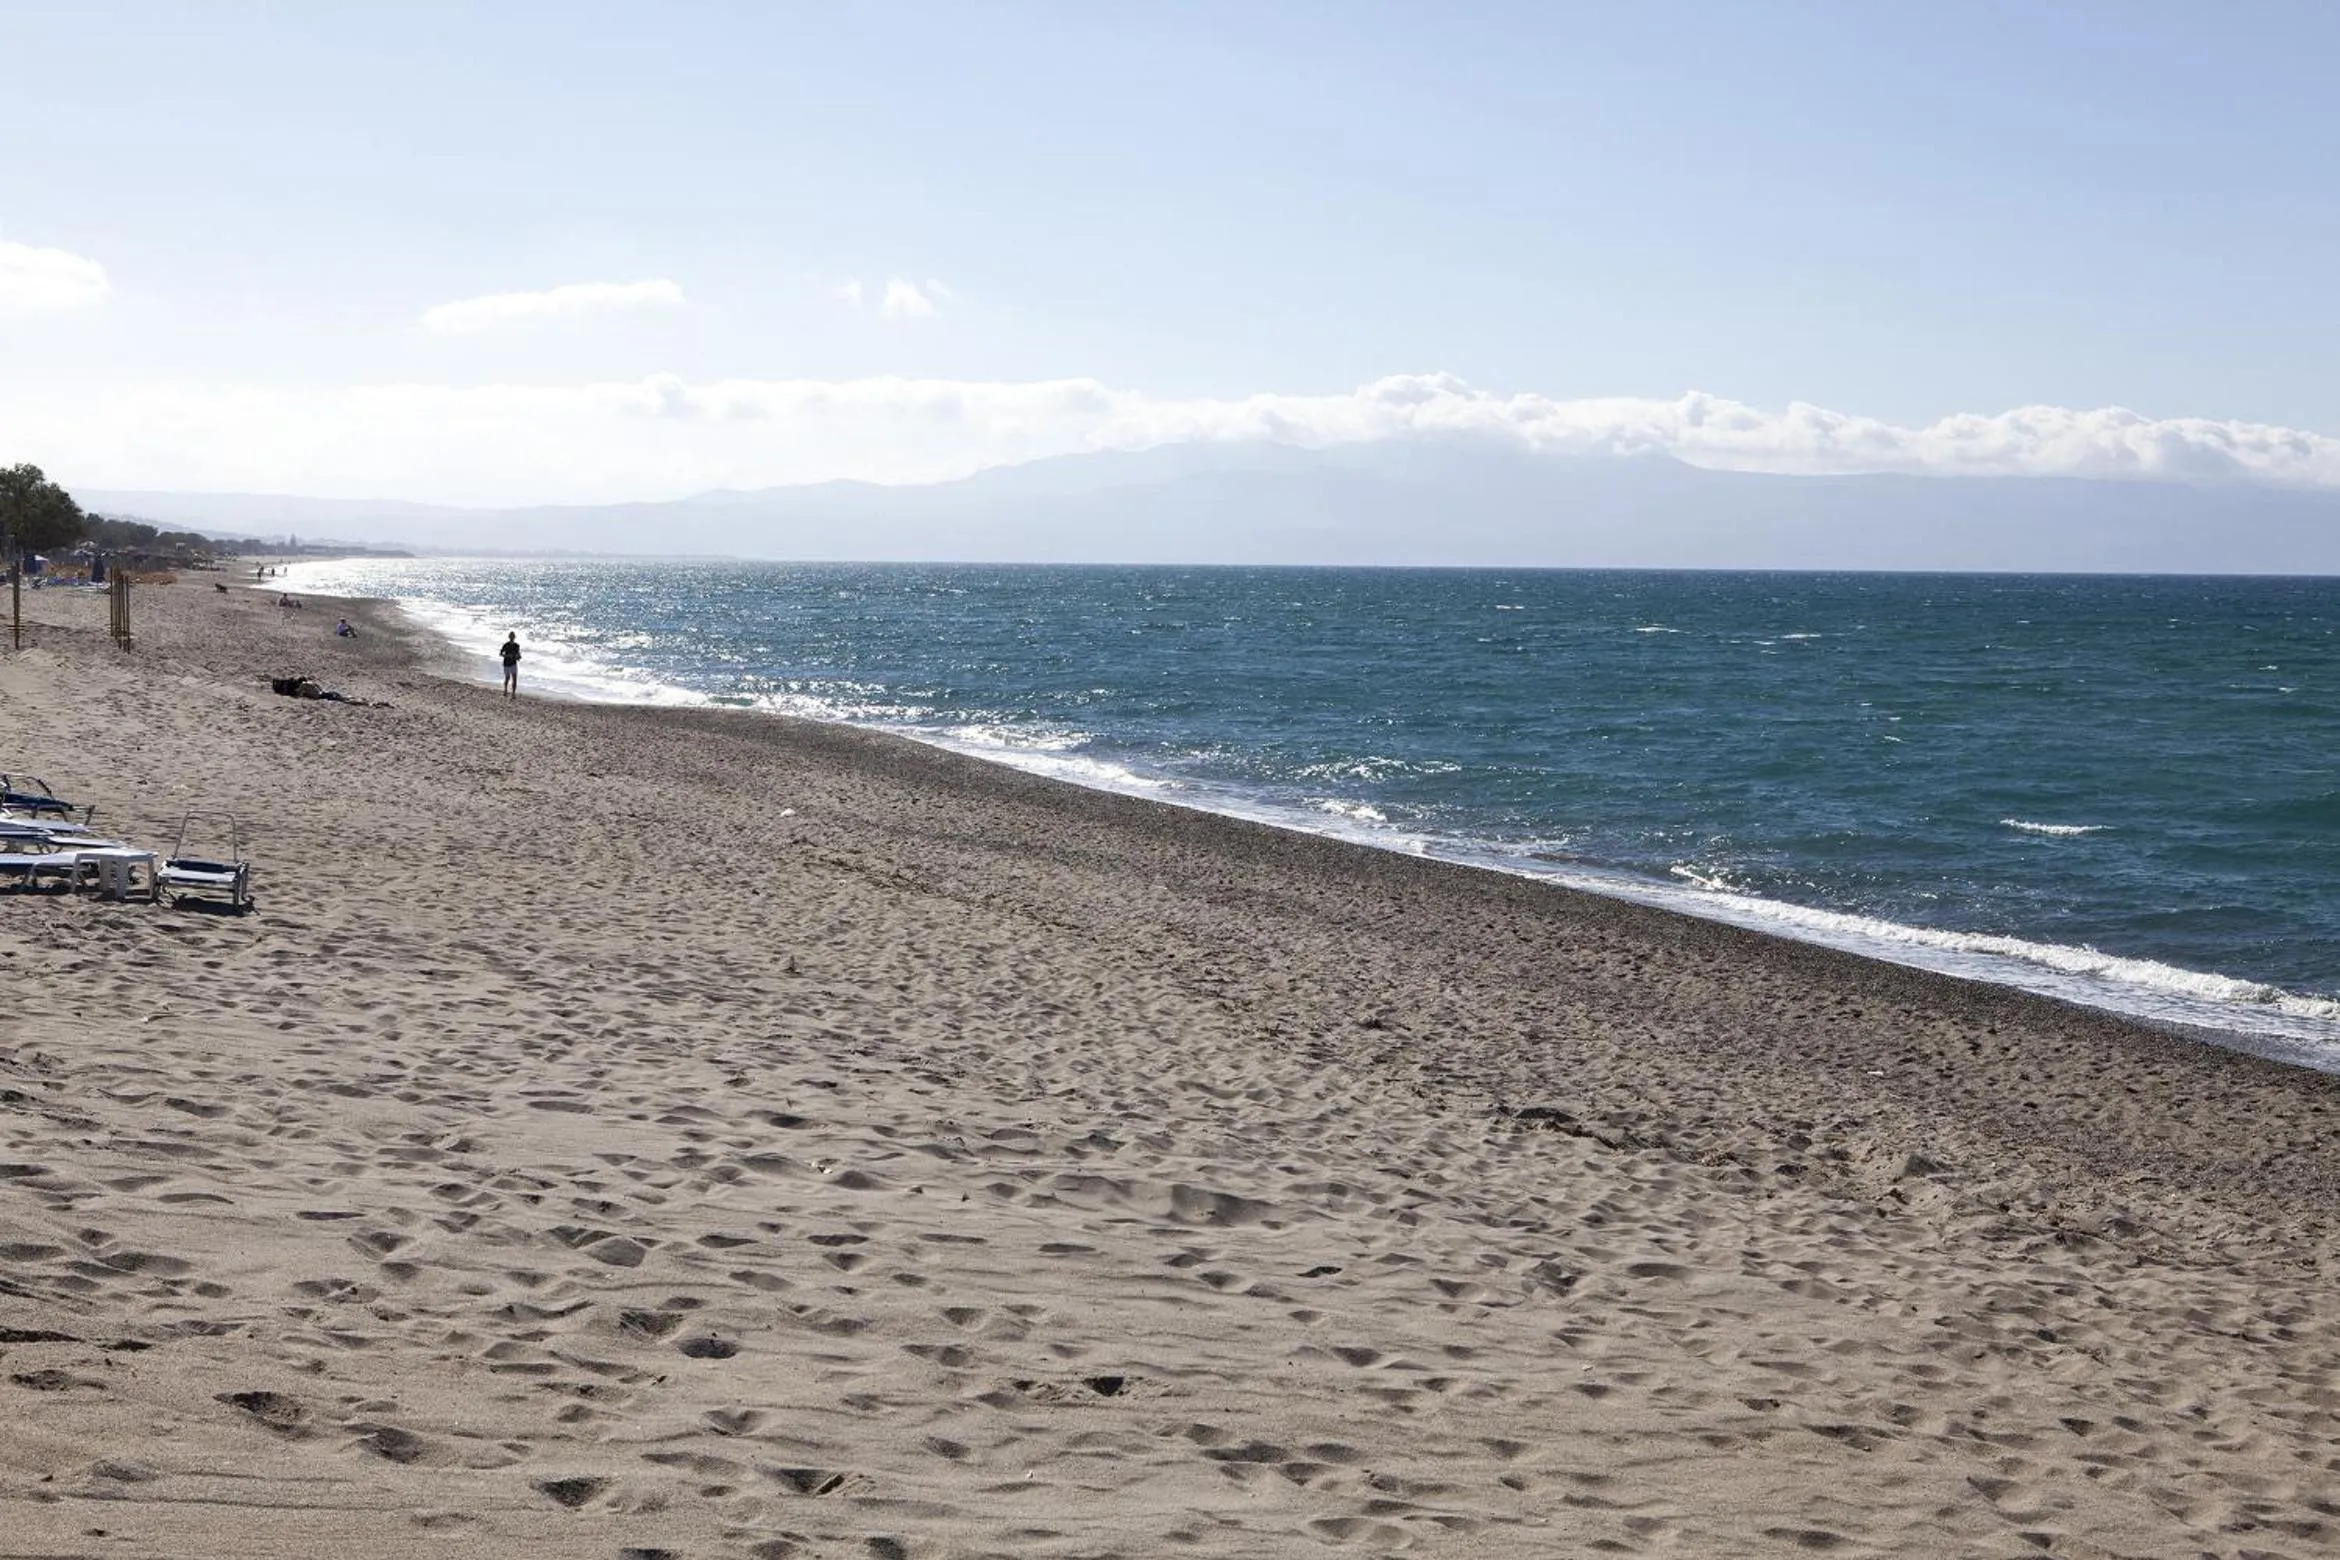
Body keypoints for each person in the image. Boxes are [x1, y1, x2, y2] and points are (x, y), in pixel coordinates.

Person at [499, 632, 522, 698]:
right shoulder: (506, 645)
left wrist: (518, 657)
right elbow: (500, 654)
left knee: (514, 678)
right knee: (507, 678)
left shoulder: (517, 645)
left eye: (513, 636)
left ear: (514, 637)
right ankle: (505, 690)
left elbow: (518, 654)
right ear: (509, 637)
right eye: (511, 636)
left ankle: (513, 693)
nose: (512, 638)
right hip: (506, 663)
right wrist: (507, 656)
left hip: (513, 663)